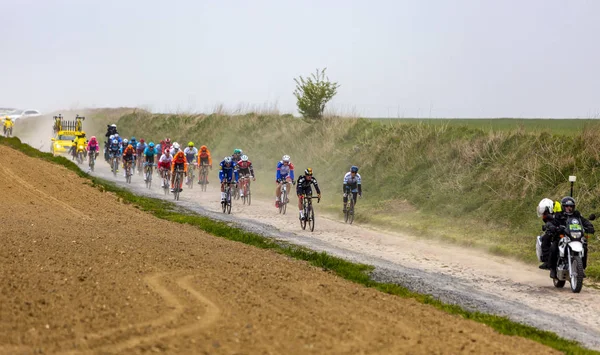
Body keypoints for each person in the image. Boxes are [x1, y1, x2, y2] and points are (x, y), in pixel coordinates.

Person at [547, 196, 595, 279]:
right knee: (554, 247)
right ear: (563, 207)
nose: (569, 208)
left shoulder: (577, 215)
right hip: (561, 237)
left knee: (584, 247)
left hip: (575, 237)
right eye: (567, 206)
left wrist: (589, 226)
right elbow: (551, 222)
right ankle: (553, 269)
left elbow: (585, 221)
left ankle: (581, 269)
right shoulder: (559, 215)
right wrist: (553, 227)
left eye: (571, 206)